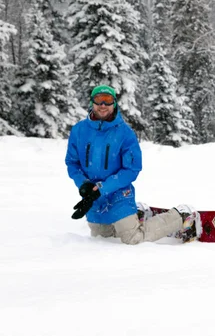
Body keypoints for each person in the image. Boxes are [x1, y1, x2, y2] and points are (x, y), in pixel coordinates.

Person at [65, 85, 198, 244]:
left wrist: (103, 188)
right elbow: (72, 163)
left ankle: (180, 216)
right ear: (92, 102)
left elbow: (131, 169)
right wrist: (85, 185)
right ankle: (138, 214)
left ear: (114, 103)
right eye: (99, 100)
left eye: (107, 101)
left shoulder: (124, 133)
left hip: (119, 192)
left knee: (131, 238)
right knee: (103, 238)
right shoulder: (79, 130)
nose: (103, 105)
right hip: (94, 197)